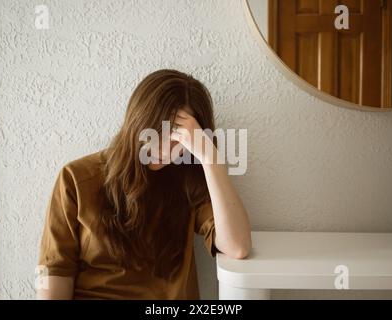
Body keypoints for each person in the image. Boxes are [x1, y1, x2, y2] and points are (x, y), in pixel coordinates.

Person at [36, 69, 252, 299]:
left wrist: (210, 157)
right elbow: (55, 269)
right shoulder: (77, 178)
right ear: (138, 121)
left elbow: (237, 246)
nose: (164, 147)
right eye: (157, 131)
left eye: (178, 137)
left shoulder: (190, 179)